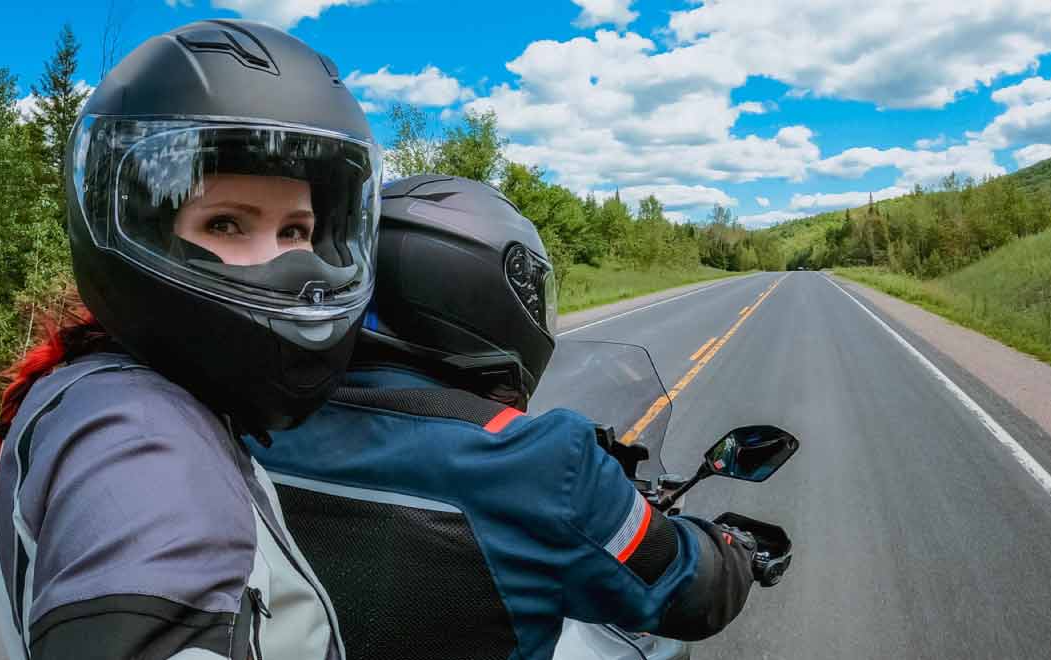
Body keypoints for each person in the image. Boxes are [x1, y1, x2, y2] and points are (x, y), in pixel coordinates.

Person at [0, 20, 382, 660]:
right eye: (225, 224)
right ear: (143, 234)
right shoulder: (135, 436)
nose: (283, 268)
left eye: (295, 231)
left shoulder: (121, 387)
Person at [249, 175, 761, 660]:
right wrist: (735, 549)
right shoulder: (539, 463)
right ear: (478, 293)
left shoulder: (254, 423)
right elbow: (687, 591)